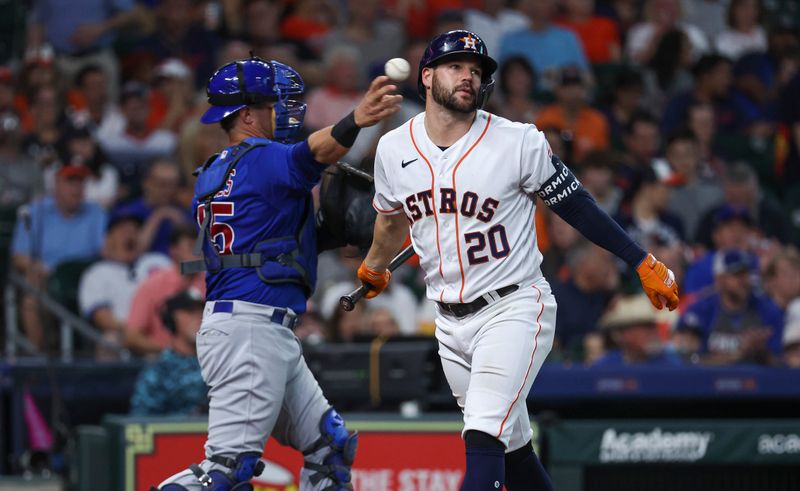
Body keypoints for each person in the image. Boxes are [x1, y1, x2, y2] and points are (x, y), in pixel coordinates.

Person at [356, 30, 679, 491]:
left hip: (513, 307)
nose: (468, 76)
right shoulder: (393, 148)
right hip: (447, 321)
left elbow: (576, 203)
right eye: (456, 66)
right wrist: (374, 265)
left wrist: (639, 258)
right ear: (426, 76)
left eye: (476, 70)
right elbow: (390, 220)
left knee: (483, 435)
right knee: (512, 450)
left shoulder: (517, 141)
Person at [152, 55, 401, 490]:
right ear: (247, 115)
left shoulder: (216, 169)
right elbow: (316, 152)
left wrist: (321, 235)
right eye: (271, 103)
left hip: (256, 326)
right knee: (229, 469)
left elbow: (266, 242)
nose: (281, 110)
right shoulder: (262, 156)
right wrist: (356, 119)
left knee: (329, 446)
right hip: (250, 328)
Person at [130, 289, 208, 416]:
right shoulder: (159, 371)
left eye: (202, 312)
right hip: (179, 434)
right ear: (172, 318)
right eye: (190, 312)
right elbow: (141, 422)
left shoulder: (217, 362)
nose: (199, 318)